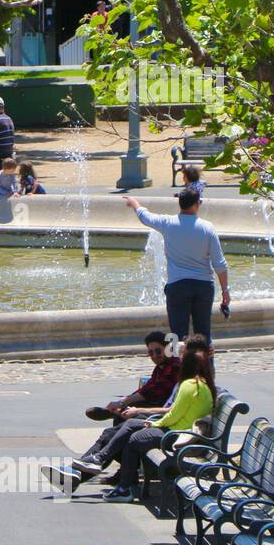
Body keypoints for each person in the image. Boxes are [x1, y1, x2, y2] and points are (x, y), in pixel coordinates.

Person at [41, 331, 193, 493]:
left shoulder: (176, 368)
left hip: (163, 424)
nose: (154, 355)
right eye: (150, 352)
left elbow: (160, 398)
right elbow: (148, 390)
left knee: (116, 432)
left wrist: (130, 406)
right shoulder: (162, 368)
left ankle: (77, 471)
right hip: (157, 417)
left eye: (158, 351)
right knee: (117, 427)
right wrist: (125, 404)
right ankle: (80, 471)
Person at [103, 347, 217, 502]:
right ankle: (105, 463)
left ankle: (123, 487)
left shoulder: (189, 385)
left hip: (177, 435)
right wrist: (152, 422)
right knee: (131, 424)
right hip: (180, 430)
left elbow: (173, 415)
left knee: (135, 439)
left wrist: (154, 424)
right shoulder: (203, 384)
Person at [124, 190, 230, 343]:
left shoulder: (168, 223)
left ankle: (176, 366)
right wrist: (225, 291)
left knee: (177, 336)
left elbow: (145, 217)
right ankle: (207, 366)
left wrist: (135, 203)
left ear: (180, 203)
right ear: (197, 204)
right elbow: (219, 264)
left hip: (177, 286)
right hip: (204, 286)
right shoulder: (208, 228)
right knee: (204, 334)